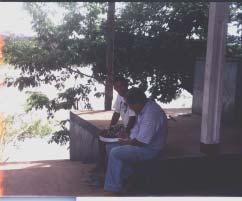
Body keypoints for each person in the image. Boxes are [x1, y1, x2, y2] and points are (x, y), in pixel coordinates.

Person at [104, 87, 168, 194]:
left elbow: (142, 142)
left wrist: (127, 142)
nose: (130, 108)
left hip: (150, 149)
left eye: (130, 105)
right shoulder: (143, 108)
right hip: (141, 144)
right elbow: (137, 130)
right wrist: (127, 137)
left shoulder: (151, 114)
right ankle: (126, 176)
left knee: (115, 152)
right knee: (109, 147)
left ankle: (114, 188)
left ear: (137, 103)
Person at [92, 76, 136, 174]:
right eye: (117, 87)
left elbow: (133, 119)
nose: (119, 89)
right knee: (102, 134)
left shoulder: (131, 96)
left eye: (121, 86)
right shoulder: (120, 96)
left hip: (132, 129)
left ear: (126, 85)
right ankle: (101, 165)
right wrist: (110, 128)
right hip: (125, 127)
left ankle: (106, 169)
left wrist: (126, 132)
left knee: (111, 144)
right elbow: (116, 113)